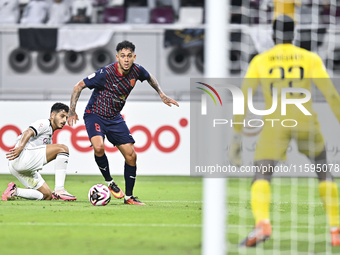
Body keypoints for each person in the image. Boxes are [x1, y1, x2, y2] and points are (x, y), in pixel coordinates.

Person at [228, 15, 340, 247]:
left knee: (261, 174)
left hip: (276, 123)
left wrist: (237, 135)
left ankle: (263, 224)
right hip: (306, 121)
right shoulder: (309, 58)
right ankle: (335, 229)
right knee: (324, 172)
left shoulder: (261, 60)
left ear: (273, 34)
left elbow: (244, 98)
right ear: (294, 33)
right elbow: (331, 95)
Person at [68, 40, 179, 205]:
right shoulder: (105, 73)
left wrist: (162, 94)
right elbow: (78, 86)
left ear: (134, 57)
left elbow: (150, 78)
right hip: (95, 114)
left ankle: (129, 197)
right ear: (117, 57)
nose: (126, 60)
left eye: (129, 56)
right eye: (122, 56)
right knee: (98, 147)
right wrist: (72, 110)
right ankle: (109, 182)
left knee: (131, 156)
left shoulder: (137, 70)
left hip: (114, 117)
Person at [1, 102, 77, 201]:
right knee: (63, 149)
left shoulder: (49, 136)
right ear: (52, 115)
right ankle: (59, 189)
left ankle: (14, 191)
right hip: (22, 157)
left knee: (47, 195)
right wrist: (20, 147)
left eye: (66, 118)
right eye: (62, 116)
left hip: (18, 166)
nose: (64, 120)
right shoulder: (45, 124)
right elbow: (28, 132)